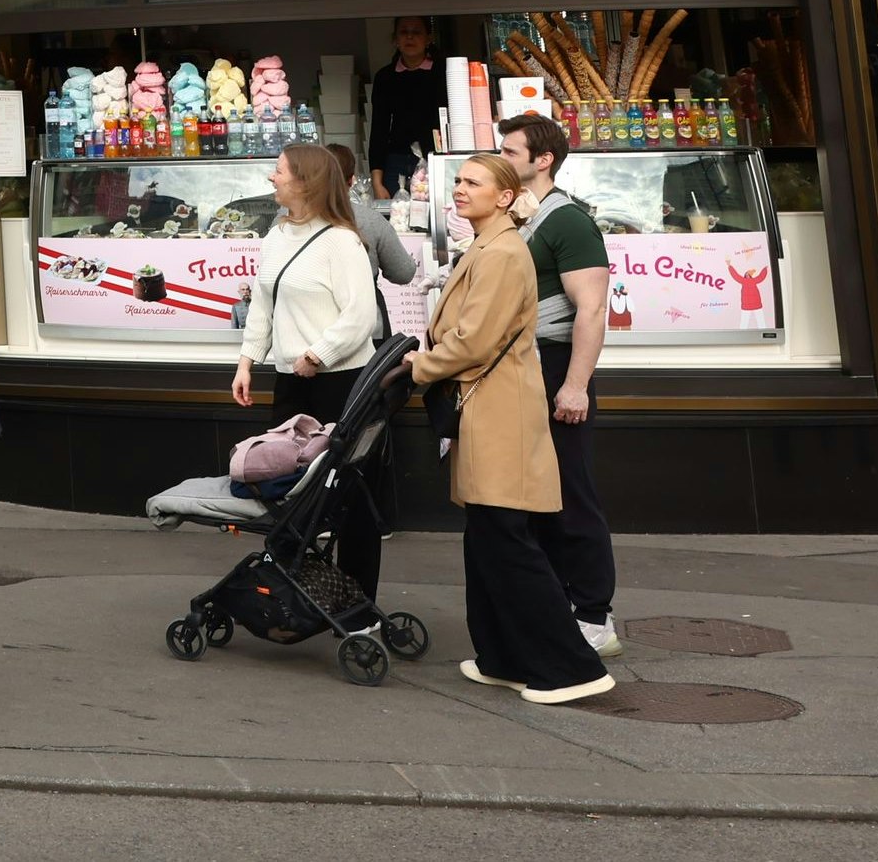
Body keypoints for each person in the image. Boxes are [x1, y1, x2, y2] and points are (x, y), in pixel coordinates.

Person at [408, 152, 612, 701]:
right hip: (486, 407)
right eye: (457, 180)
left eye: (472, 182)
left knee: (507, 539)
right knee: (487, 540)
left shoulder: (500, 252)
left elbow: (476, 340)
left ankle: (572, 669)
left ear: (503, 196)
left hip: (500, 411)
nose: (459, 189)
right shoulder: (486, 245)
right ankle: (504, 655)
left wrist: (419, 367)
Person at [231, 142, 392, 591]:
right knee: (285, 487)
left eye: (278, 170)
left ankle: (357, 601)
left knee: (349, 493)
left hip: (340, 384)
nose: (271, 177)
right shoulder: (278, 235)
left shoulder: (342, 242)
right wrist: (247, 362)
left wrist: (317, 354)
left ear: (306, 181)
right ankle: (290, 593)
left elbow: (362, 316)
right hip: (290, 382)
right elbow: (264, 304)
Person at [498, 111, 622, 659]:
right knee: (540, 494)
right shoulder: (526, 219)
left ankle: (596, 615)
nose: (501, 159)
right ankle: (559, 605)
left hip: (556, 367)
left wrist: (576, 386)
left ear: (542, 160)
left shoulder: (568, 221)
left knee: (571, 492)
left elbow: (592, 310)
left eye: (509, 152)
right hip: (523, 370)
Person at [366, 17, 446, 196]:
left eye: (416, 32)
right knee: (397, 219)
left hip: (437, 159)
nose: (410, 37)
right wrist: (377, 182)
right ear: (395, 39)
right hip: (396, 163)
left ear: (428, 38)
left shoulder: (443, 72)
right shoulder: (385, 77)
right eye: (404, 32)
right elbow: (379, 128)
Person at [324, 142, 422, 285]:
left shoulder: (292, 219)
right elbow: (403, 273)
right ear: (352, 181)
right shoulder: (371, 220)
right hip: (364, 303)